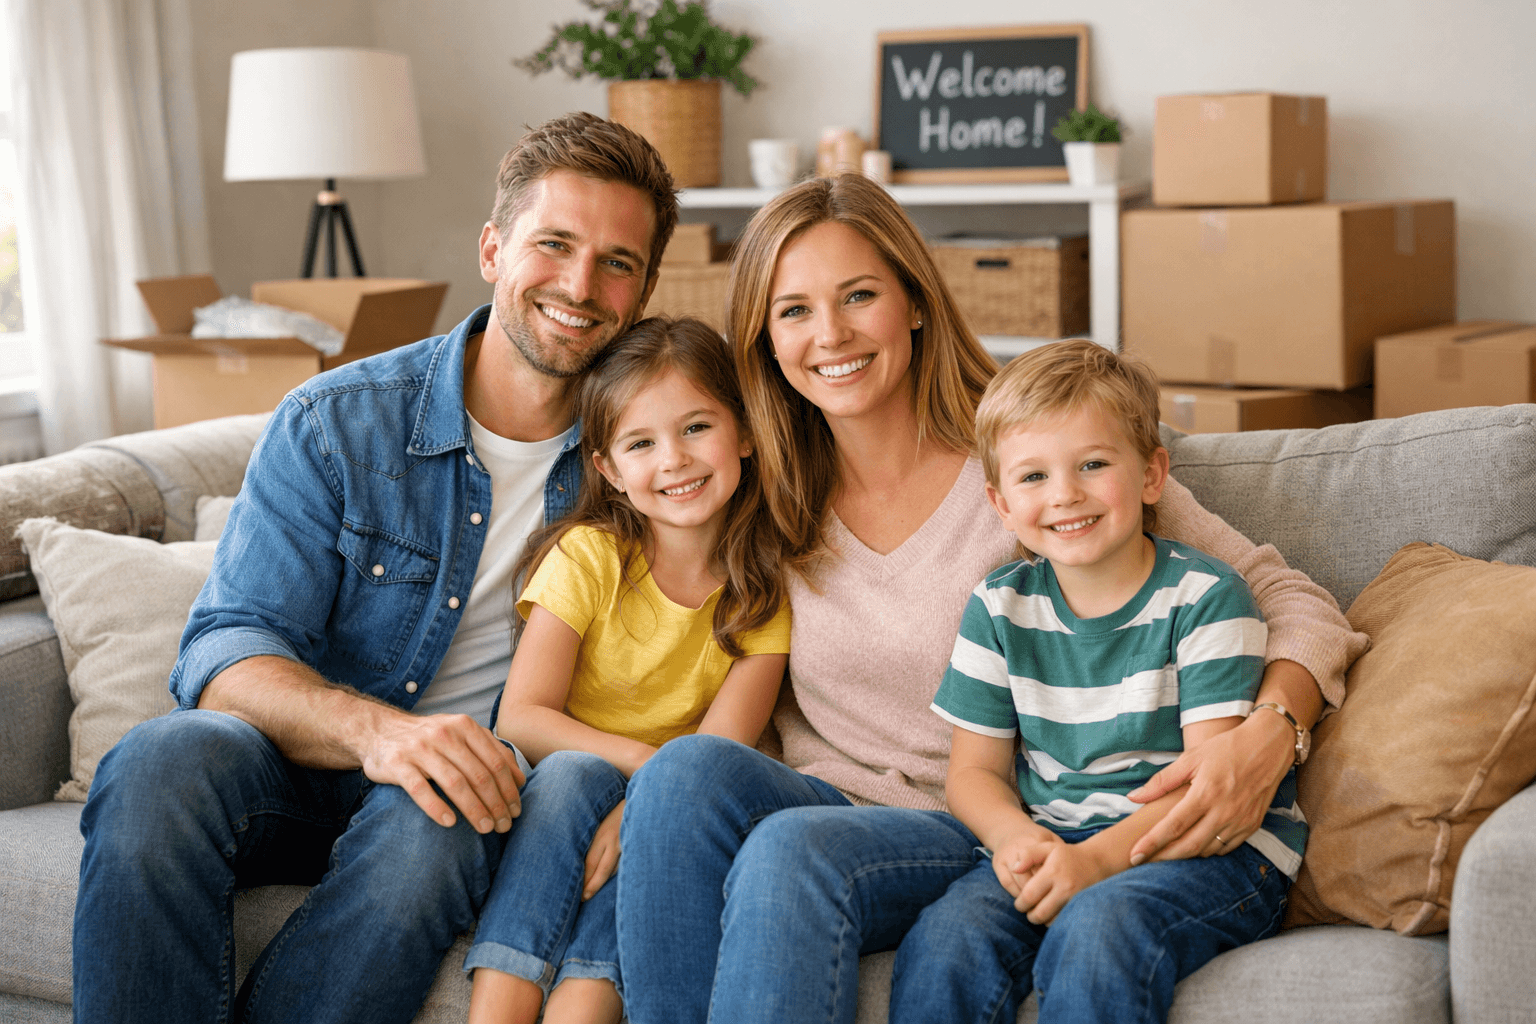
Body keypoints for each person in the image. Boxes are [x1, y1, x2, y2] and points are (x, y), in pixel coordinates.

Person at [614, 173, 1369, 1024]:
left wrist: (1274, 732)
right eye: (793, 311)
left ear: (915, 301)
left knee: (792, 852)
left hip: (981, 816)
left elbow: (1287, 595)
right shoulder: (762, 492)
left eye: (858, 295)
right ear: (763, 337)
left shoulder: (1031, 462)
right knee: (679, 775)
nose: (830, 334)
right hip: (830, 799)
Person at [71, 112, 678, 1024]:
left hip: (479, 793)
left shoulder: (658, 459)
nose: (580, 285)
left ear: (645, 288)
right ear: (492, 249)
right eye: (553, 244)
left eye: (617, 262)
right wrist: (383, 734)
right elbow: (226, 649)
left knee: (437, 817)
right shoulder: (336, 420)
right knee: (161, 759)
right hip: (303, 762)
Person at [893, 339, 1301, 1024]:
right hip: (1057, 837)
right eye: (1033, 477)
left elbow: (1210, 792)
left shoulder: (1205, 598)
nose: (1066, 495)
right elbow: (973, 773)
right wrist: (1017, 840)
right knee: (947, 938)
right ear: (998, 502)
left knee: (1100, 927)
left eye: (1092, 464)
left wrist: (1093, 866)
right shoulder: (999, 607)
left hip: (1212, 853)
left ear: (1151, 475)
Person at [464, 317, 791, 1024]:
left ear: (745, 434)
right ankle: (498, 1007)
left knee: (658, 848)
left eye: (696, 427)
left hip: (671, 815)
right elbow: (521, 718)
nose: (673, 459)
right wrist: (645, 773)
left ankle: (583, 1004)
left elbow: (718, 755)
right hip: (565, 791)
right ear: (608, 466)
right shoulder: (589, 557)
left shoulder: (763, 593)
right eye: (641, 443)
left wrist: (645, 809)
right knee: (577, 775)